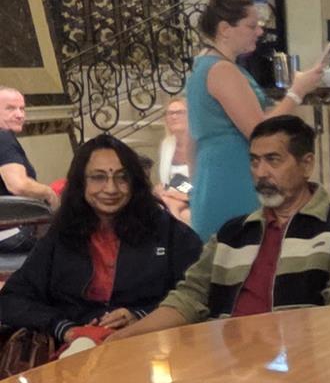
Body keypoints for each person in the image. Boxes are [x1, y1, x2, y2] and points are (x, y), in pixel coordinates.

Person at [111, 116, 330, 342]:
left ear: (306, 164)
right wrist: (124, 338)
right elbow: (189, 297)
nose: (261, 172)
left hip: (304, 358)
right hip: (225, 359)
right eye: (255, 161)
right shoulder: (233, 233)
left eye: (273, 160)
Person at [0, 135, 202, 360]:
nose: (111, 188)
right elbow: (12, 299)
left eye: (122, 177)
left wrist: (140, 315)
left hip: (152, 349)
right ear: (81, 182)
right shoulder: (62, 234)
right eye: (98, 177)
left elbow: (197, 294)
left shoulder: (166, 231)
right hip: (75, 351)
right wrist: (64, 328)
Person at [187, 0, 329, 241]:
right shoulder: (221, 70)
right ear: (225, 29)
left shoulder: (207, 66)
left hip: (214, 175)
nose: (260, 32)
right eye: (251, 25)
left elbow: (191, 141)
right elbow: (260, 132)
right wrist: (297, 91)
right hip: (232, 179)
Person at [0, 87, 55, 206]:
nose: (20, 115)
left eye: (22, 108)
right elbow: (18, 185)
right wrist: (49, 193)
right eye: (10, 108)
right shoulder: (3, 138)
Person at [155, 97, 193, 222]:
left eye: (179, 112)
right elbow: (166, 182)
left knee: (173, 207)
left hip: (195, 197)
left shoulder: (199, 144)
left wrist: (180, 195)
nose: (174, 116)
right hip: (172, 196)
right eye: (170, 113)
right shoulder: (167, 144)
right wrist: (160, 189)